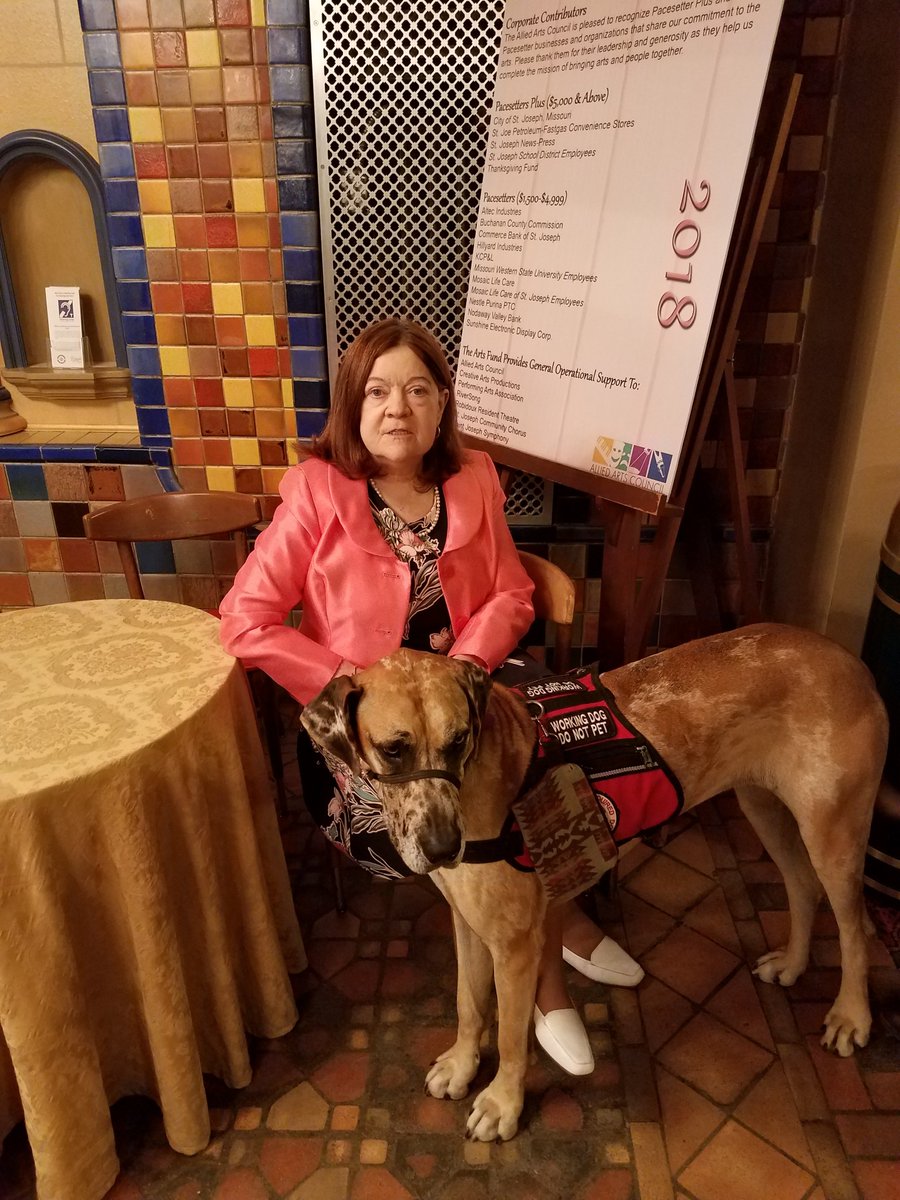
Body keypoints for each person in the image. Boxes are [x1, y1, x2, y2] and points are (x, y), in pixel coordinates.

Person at [219, 317, 643, 1076]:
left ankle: (562, 917)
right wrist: (352, 682)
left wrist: (468, 667)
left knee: (562, 756)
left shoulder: (473, 477)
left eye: (418, 390)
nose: (397, 408)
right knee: (493, 813)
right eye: (378, 391)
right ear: (352, 405)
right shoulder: (318, 493)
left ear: (442, 405)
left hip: (466, 693)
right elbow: (243, 622)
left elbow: (512, 592)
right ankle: (546, 972)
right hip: (372, 737)